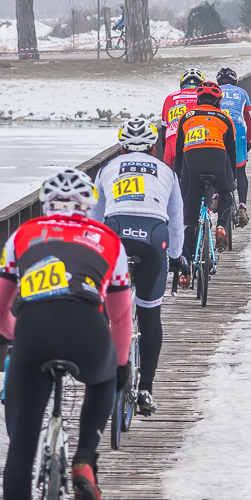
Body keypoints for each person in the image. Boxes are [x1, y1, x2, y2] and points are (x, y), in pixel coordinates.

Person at [0, 168, 133, 500]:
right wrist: (118, 364)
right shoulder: (107, 240)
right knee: (105, 378)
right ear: (90, 207)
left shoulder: (24, 236)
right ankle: (85, 458)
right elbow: (121, 314)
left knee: (21, 450)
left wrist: (22, 335)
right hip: (87, 329)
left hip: (33, 334)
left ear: (44, 206)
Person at [95, 118, 185, 416]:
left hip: (115, 232)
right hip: (153, 236)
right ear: (153, 147)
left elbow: (95, 219)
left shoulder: (106, 169)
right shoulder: (168, 172)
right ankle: (145, 387)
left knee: (109, 309)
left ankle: (104, 374)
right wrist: (174, 256)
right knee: (149, 313)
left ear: (121, 148)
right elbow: (175, 221)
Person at [174, 81, 238, 256]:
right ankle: (221, 226)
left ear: (198, 99)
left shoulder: (186, 117)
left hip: (191, 160)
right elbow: (231, 153)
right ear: (218, 101)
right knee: (226, 192)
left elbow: (179, 151)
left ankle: (186, 269)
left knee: (190, 218)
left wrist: (177, 176)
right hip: (218, 156)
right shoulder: (224, 118)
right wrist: (231, 180)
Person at [216, 66, 251, 226]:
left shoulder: (215, 91)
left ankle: (216, 197)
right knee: (241, 170)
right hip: (238, 130)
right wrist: (248, 141)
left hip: (219, 129)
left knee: (217, 166)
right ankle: (242, 207)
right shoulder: (242, 93)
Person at [160, 68, 204, 168]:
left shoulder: (170, 97)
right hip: (199, 141)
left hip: (173, 143)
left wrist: (165, 152)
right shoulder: (204, 97)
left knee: (171, 179)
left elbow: (164, 129)